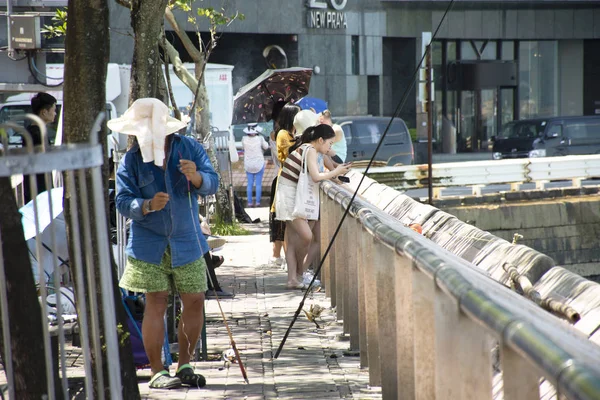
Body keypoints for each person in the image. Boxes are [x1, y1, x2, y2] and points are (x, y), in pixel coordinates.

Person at [112, 98, 219, 390]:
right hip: (148, 243)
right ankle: (157, 371)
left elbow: (213, 181)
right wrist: (145, 205)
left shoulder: (189, 148)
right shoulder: (131, 159)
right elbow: (122, 200)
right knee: (155, 303)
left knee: (195, 300)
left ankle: (185, 363)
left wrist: (196, 176)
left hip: (188, 239)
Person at [275, 124, 351, 289]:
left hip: (290, 195)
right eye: (329, 143)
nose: (331, 147)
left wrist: (335, 169)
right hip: (290, 197)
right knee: (306, 237)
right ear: (320, 140)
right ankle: (299, 274)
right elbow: (316, 177)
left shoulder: (312, 150)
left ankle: (292, 279)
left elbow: (329, 166)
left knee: (293, 240)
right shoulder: (309, 150)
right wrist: (336, 171)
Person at [23, 92, 57, 203]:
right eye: (53, 110)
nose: (55, 113)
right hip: (38, 188)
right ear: (44, 112)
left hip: (40, 186)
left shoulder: (37, 131)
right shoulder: (35, 134)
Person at [268, 101, 287, 266]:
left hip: (280, 179)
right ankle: (277, 256)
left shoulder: (280, 134)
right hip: (282, 180)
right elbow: (283, 160)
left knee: (281, 219)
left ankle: (278, 256)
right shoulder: (278, 136)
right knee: (281, 220)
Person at [242, 123, 268, 207]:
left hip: (248, 164)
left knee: (249, 183)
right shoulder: (260, 138)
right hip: (259, 163)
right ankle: (257, 202)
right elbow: (266, 147)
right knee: (258, 184)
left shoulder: (244, 139)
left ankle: (249, 202)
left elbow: (243, 148)